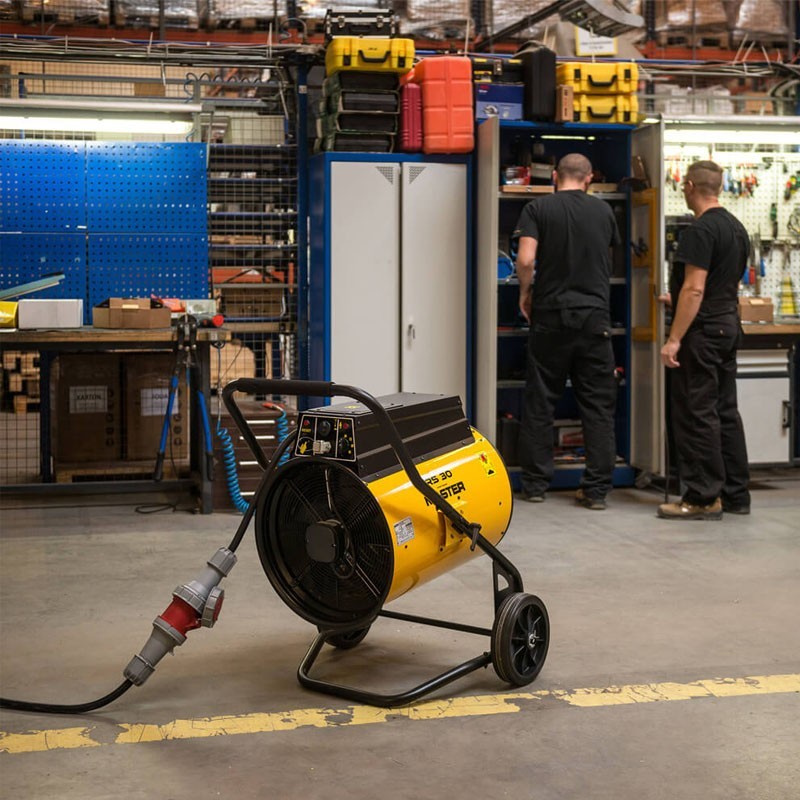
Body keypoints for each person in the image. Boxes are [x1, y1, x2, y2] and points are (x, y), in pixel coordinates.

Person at [514, 153, 620, 510]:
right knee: (598, 405)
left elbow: (525, 259)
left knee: (541, 400)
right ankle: (596, 491)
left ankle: (535, 485)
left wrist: (525, 292)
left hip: (551, 315)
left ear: (555, 176)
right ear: (589, 178)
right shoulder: (604, 211)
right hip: (594, 318)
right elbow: (606, 259)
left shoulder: (537, 208)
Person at [658, 160, 750, 520]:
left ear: (689, 186)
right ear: (721, 187)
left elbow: (695, 289)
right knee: (725, 411)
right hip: (727, 325)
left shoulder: (699, 230)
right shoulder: (736, 228)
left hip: (704, 332)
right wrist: (679, 298)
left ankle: (702, 497)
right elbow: (718, 284)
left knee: (697, 412)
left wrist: (674, 339)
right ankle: (735, 495)